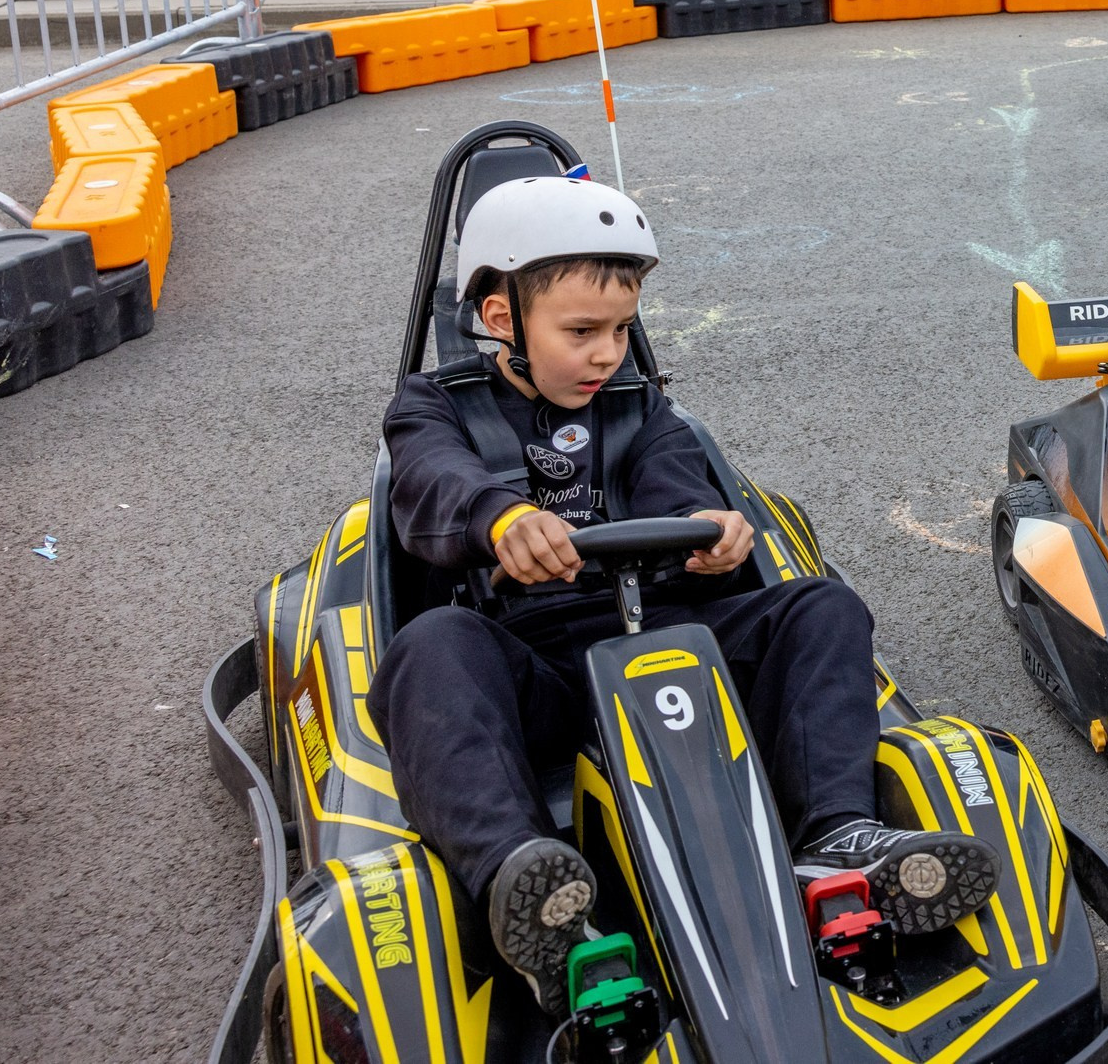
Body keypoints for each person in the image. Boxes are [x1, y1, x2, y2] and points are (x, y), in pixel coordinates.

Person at [369, 175, 997, 1016]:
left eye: (622, 330)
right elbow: (430, 480)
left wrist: (709, 529)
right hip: (531, 666)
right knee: (431, 650)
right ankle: (521, 884)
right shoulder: (431, 410)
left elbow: (673, 483)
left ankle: (836, 832)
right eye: (582, 332)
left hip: (673, 639)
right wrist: (498, 517)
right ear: (499, 322)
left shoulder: (640, 408)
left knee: (820, 606)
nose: (607, 354)